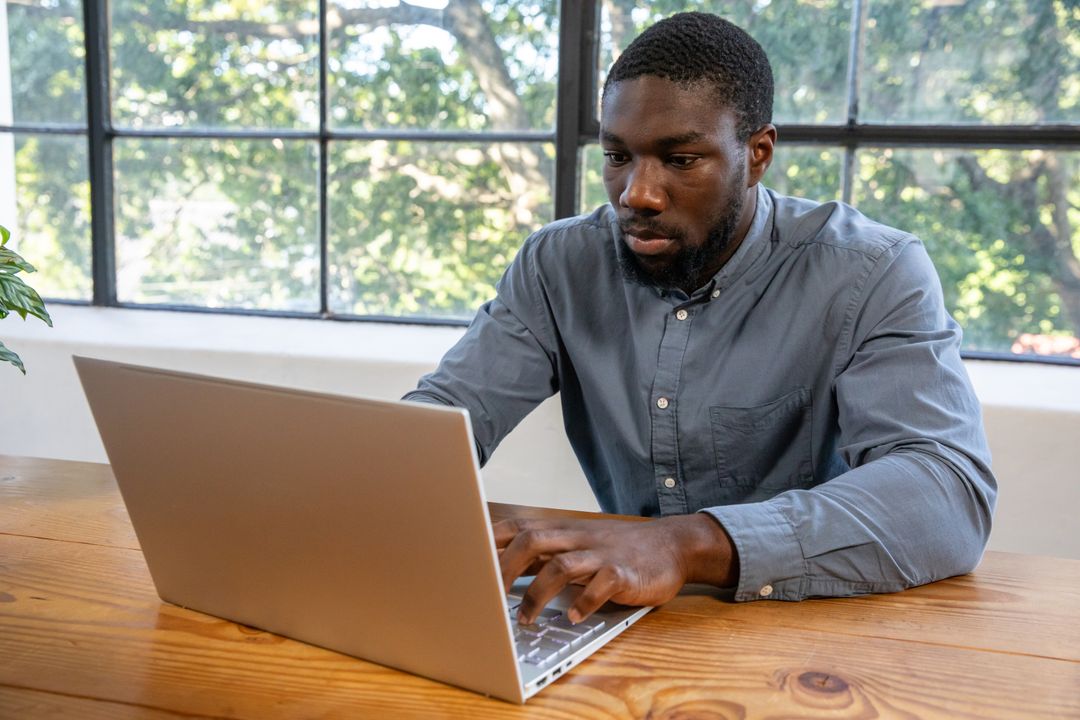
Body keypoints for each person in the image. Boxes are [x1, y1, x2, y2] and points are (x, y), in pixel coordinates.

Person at [403, 11, 996, 625]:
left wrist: (682, 544)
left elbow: (947, 494)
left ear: (758, 152)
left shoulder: (873, 271)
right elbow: (449, 414)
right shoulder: (558, 264)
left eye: (681, 160)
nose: (637, 193)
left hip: (815, 623)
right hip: (625, 620)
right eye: (617, 155)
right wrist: (364, 479)